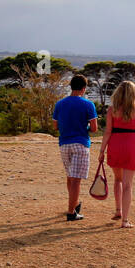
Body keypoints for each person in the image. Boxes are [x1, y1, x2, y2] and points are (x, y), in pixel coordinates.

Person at [97, 80, 135, 228]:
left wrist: (101, 150)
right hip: (132, 146)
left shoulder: (112, 110)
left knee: (118, 180)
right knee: (128, 184)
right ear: (134, 94)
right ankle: (125, 220)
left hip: (115, 145)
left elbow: (108, 131)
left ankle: (118, 210)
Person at [52, 74, 99, 221]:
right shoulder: (88, 104)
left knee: (70, 177)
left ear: (71, 86)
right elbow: (94, 128)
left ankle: (75, 204)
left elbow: (55, 126)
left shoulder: (60, 104)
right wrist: (83, 126)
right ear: (83, 89)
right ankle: (72, 212)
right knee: (76, 180)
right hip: (80, 143)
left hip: (64, 143)